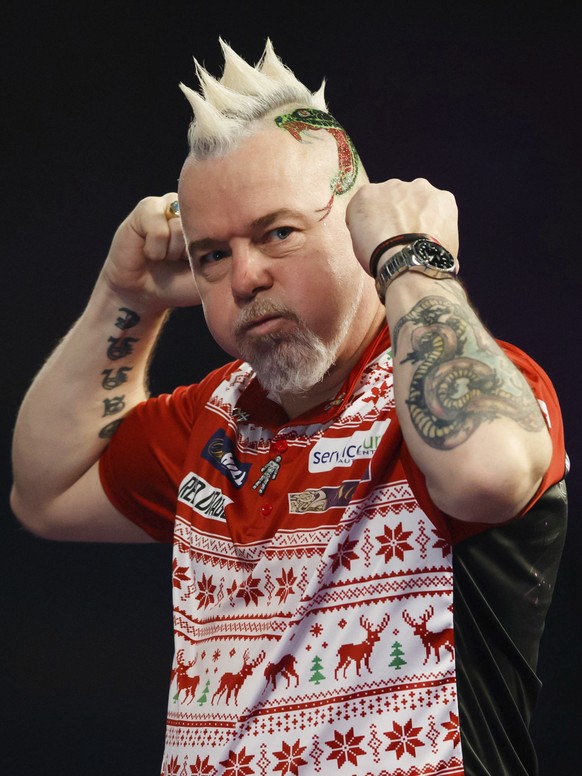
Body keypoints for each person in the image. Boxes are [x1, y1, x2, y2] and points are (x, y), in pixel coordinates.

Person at [10, 39, 568, 776]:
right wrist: (127, 295)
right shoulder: (211, 418)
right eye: (212, 253)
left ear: (356, 225)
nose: (243, 276)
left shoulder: (466, 390)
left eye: (278, 232)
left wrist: (408, 257)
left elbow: (487, 476)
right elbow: (44, 492)